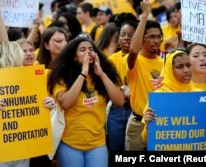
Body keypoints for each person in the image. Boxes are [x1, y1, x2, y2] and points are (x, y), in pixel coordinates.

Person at [47, 36, 124, 167]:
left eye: (90, 49)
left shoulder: (102, 76)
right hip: (69, 144)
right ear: (74, 57)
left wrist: (101, 74)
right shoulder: (62, 76)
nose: (88, 52)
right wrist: (83, 74)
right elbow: (65, 103)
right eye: (82, 49)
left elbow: (120, 102)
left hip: (97, 143)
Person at [142, 49, 206, 145]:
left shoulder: (200, 96)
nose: (186, 70)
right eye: (179, 67)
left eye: (188, 65)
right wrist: (148, 125)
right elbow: (145, 140)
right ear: (169, 70)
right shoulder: (159, 98)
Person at [125, 0, 164, 151]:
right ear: (142, 39)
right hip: (138, 124)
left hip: (161, 123)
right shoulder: (135, 61)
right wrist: (144, 16)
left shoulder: (164, 63)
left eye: (159, 36)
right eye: (151, 37)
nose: (156, 40)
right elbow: (133, 51)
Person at [106, 13, 138, 152]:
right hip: (117, 110)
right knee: (116, 150)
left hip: (137, 109)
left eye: (131, 35)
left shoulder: (142, 59)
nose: (126, 38)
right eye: (123, 34)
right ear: (118, 39)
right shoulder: (111, 60)